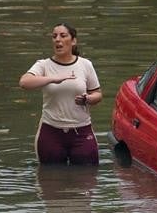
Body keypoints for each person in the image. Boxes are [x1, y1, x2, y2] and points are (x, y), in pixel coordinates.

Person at [19, 23, 102, 165]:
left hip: (81, 131)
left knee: (87, 180)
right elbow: (24, 82)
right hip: (51, 132)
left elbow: (97, 94)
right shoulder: (43, 65)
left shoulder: (85, 64)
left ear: (73, 41)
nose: (58, 39)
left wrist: (88, 99)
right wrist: (51, 79)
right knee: (50, 181)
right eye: (54, 36)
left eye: (63, 36)